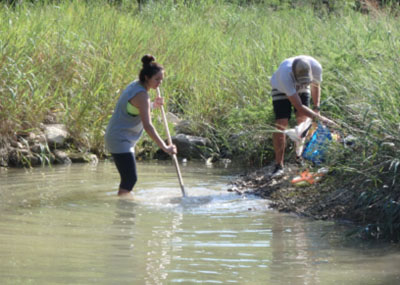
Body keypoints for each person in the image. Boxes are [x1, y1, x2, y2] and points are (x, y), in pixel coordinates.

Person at [105, 55, 177, 198]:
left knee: (129, 179)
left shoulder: (135, 85)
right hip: (119, 139)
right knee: (130, 179)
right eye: (157, 79)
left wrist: (153, 105)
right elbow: (148, 126)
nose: (159, 83)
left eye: (161, 79)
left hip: (119, 136)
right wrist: (165, 147)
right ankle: (123, 211)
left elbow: (134, 107)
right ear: (146, 77)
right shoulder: (142, 95)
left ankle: (123, 202)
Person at [270, 55, 335, 178]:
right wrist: (322, 120)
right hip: (281, 89)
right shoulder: (285, 75)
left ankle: (299, 157)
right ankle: (279, 165)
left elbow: (315, 86)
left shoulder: (316, 67)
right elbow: (299, 106)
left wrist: (317, 109)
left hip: (302, 87)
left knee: (303, 120)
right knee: (281, 123)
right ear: (293, 74)